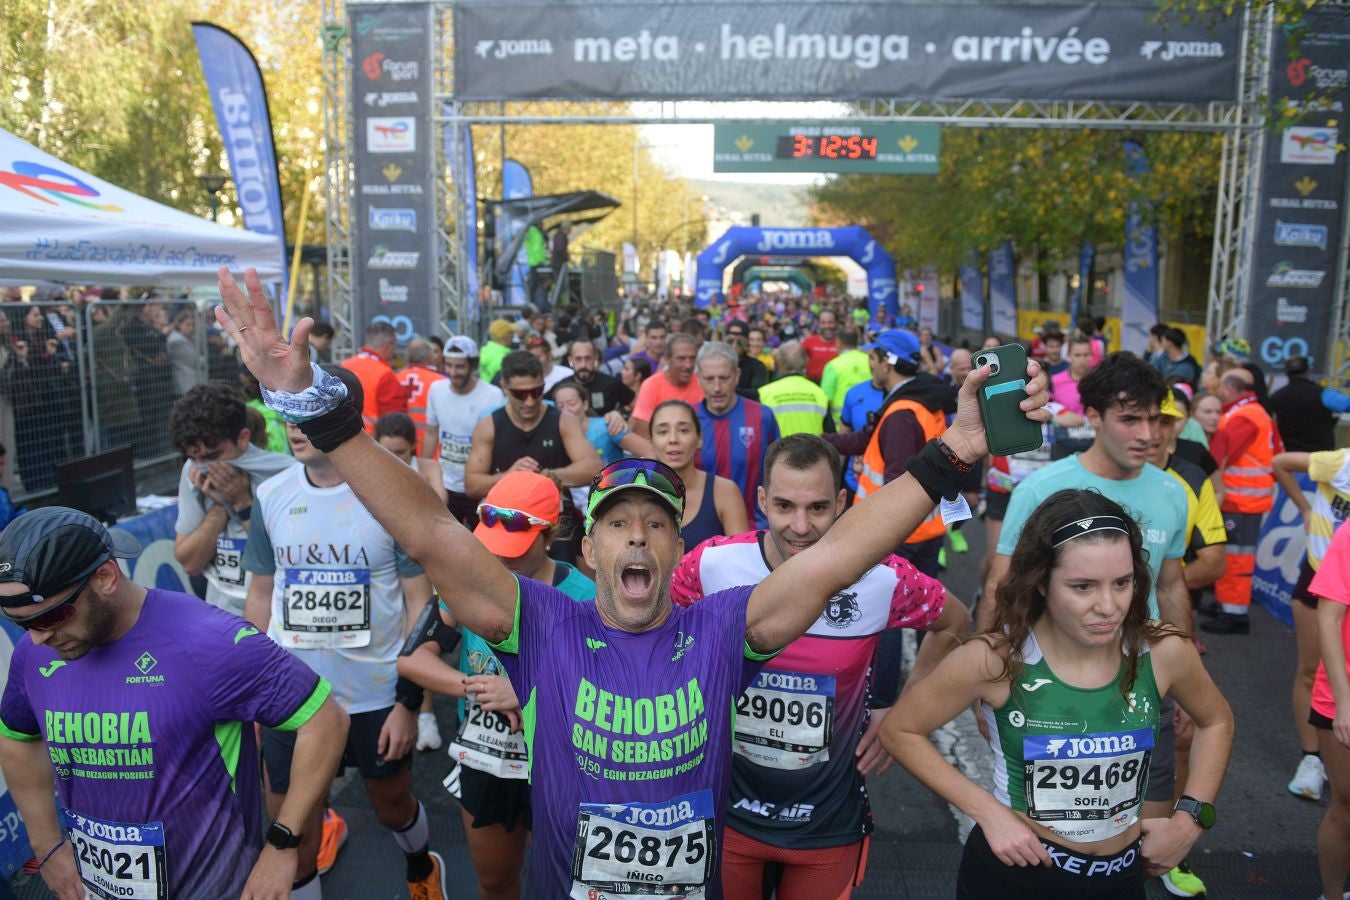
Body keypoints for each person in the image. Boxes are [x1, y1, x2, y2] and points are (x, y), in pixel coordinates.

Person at [213, 262, 1050, 896]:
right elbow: (434, 532)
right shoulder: (541, 623)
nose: (640, 534)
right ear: (590, 554)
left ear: (674, 543)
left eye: (656, 520)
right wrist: (313, 406)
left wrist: (955, 457)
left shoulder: (721, 628)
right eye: (618, 524)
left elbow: (841, 553)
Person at [671, 435, 971, 898]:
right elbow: (650, 635)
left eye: (818, 507)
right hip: (726, 815)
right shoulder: (711, 564)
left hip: (827, 825)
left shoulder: (883, 577)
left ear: (843, 503)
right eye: (785, 506)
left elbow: (955, 623)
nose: (800, 526)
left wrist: (905, 712)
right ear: (762, 499)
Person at [0, 507, 349, 899]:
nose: (39, 638)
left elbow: (325, 721)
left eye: (54, 615)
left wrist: (283, 845)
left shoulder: (209, 641)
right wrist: (46, 846)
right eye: (23, 624)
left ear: (106, 577)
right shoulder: (34, 655)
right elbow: (16, 736)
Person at [899, 490, 1233, 897]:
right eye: (1083, 586)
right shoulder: (996, 660)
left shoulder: (1164, 653)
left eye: (1123, 583)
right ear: (1040, 583)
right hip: (1015, 875)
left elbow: (1216, 720)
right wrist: (986, 812)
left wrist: (1190, 820)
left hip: (1121, 877)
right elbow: (901, 730)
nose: (1108, 606)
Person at [242, 369, 446, 900]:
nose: (296, 426)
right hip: (293, 697)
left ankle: (422, 865)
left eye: (311, 414)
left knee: (391, 807)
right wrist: (251, 690)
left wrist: (409, 702)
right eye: (291, 415)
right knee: (289, 833)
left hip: (374, 695)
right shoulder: (271, 495)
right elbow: (261, 596)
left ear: (346, 420)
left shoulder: (391, 494)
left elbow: (419, 604)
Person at [399, 472, 594, 900]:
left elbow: (612, 692)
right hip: (488, 758)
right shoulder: (468, 584)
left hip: (559, 763)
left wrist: (529, 693)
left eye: (515, 550)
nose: (501, 562)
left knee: (562, 883)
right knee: (494, 882)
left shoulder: (585, 598)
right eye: (494, 548)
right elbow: (413, 658)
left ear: (550, 534)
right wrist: (475, 687)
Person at [824, 329, 955, 579]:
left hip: (899, 536)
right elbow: (866, 438)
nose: (870, 365)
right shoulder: (918, 397)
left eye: (873, 358)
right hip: (925, 528)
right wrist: (821, 440)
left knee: (895, 611)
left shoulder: (901, 416)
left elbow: (897, 486)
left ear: (887, 363)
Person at [170, 381, 296, 616]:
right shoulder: (193, 472)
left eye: (213, 455)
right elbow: (189, 562)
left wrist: (242, 503)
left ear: (243, 438)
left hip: (278, 612)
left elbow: (290, 562)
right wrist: (220, 506)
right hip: (223, 614)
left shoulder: (286, 475)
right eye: (194, 457)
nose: (204, 466)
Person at [1274, 444, 1350, 803]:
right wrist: (1305, 509)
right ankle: (1311, 759)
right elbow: (1280, 463)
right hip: (1320, 573)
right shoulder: (1342, 462)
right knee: (1311, 670)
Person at [464, 350, 601, 503]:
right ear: (504, 387)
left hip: (555, 519)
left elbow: (594, 468)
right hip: (509, 521)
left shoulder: (563, 421)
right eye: (520, 394)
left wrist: (546, 477)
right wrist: (510, 477)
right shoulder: (488, 426)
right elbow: (472, 485)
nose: (529, 401)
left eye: (536, 391)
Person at [1202, 366, 1278, 635]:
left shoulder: (1242, 417)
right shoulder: (1255, 412)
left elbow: (1218, 457)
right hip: (1245, 500)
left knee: (1236, 558)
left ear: (1230, 389)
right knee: (1233, 555)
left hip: (1240, 501)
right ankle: (1227, 604)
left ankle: (1234, 613)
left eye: (1221, 384)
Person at [1304, 523, 1350, 900]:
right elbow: (1328, 618)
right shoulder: (1349, 533)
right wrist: (1344, 700)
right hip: (1341, 696)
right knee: (1347, 806)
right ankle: (1332, 895)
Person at [696, 342, 781, 525]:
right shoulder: (687, 419)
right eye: (709, 379)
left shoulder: (762, 417)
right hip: (700, 533)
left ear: (737, 376)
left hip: (752, 530)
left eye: (724, 378)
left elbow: (778, 474)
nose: (717, 387)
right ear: (698, 379)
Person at [423, 335, 504, 527]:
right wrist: (424, 471)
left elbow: (498, 443)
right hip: (446, 485)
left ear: (472, 366)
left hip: (479, 487)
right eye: (448, 365)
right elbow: (431, 433)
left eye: (459, 366)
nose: (452, 372)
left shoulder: (492, 395)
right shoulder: (436, 389)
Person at [650, 400, 749, 548]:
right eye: (663, 432)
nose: (673, 440)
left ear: (699, 439)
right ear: (651, 442)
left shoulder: (725, 492)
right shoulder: (635, 492)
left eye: (683, 430)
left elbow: (741, 559)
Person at [629, 332, 704, 439]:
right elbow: (643, 431)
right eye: (681, 359)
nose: (688, 365)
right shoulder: (651, 385)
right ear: (667, 359)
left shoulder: (703, 382)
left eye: (692, 358)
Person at [341, 321, 408, 432]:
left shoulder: (344, 366)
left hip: (341, 438)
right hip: (371, 442)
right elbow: (394, 422)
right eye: (394, 345)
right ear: (388, 345)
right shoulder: (385, 374)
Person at [759, 341, 831, 437]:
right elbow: (830, 435)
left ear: (779, 362)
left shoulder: (764, 394)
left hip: (779, 451)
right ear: (806, 361)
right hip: (814, 450)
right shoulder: (820, 393)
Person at [376, 411, 448, 505]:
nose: (392, 458)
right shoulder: (369, 468)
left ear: (413, 444)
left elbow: (441, 503)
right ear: (376, 445)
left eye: (400, 452)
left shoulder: (429, 468)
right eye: (386, 452)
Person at [1270, 356, 1337, 453]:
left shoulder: (1277, 396)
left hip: (1289, 455)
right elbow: (1346, 405)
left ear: (1287, 374)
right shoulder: (1324, 394)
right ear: (1308, 372)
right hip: (1319, 455)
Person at [555, 336, 633, 416]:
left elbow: (636, 407)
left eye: (588, 358)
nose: (583, 365)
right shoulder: (560, 387)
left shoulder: (611, 384)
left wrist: (619, 418)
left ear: (595, 359)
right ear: (570, 361)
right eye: (578, 359)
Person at [397, 338, 448, 450]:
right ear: (430, 357)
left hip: (400, 447)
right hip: (430, 447)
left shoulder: (395, 378)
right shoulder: (440, 381)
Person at [820, 326, 871, 427]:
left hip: (841, 426)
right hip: (868, 422)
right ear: (857, 341)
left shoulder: (833, 365)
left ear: (838, 342)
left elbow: (826, 398)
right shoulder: (870, 361)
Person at [721, 320, 769, 401]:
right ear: (723, 340)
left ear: (747, 342)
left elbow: (757, 393)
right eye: (730, 341)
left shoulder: (756, 366)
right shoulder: (714, 364)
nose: (735, 345)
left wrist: (727, 390)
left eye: (741, 342)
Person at [1050, 331, 1096, 415]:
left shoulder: (1098, 381)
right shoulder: (1054, 381)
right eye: (1077, 355)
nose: (1082, 360)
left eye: (1086, 355)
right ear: (1068, 355)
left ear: (1091, 355)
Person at [801, 309, 840, 383]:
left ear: (836, 323)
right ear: (818, 324)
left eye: (830, 322)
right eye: (823, 323)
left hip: (835, 384)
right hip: (813, 385)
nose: (827, 326)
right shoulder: (808, 342)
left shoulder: (842, 343)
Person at [166, 308, 198, 397]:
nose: (191, 328)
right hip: (185, 385)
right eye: (187, 324)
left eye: (192, 325)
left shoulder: (185, 338)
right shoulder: (177, 340)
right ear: (179, 324)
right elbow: (196, 360)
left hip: (190, 384)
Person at [479, 320, 516, 385]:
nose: (513, 335)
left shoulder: (487, 349)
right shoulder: (501, 357)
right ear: (504, 335)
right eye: (511, 332)